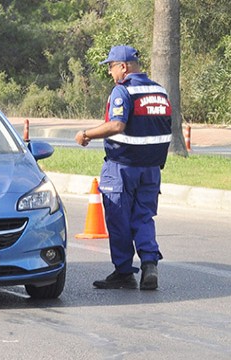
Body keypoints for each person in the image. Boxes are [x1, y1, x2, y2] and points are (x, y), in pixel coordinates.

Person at [75, 45, 172, 290]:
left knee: (118, 219)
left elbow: (117, 125)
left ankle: (124, 272)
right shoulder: (159, 91)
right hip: (151, 169)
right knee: (144, 217)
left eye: (111, 66)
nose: (110, 72)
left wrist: (87, 134)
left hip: (123, 167)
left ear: (124, 66)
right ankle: (150, 265)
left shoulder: (123, 91)